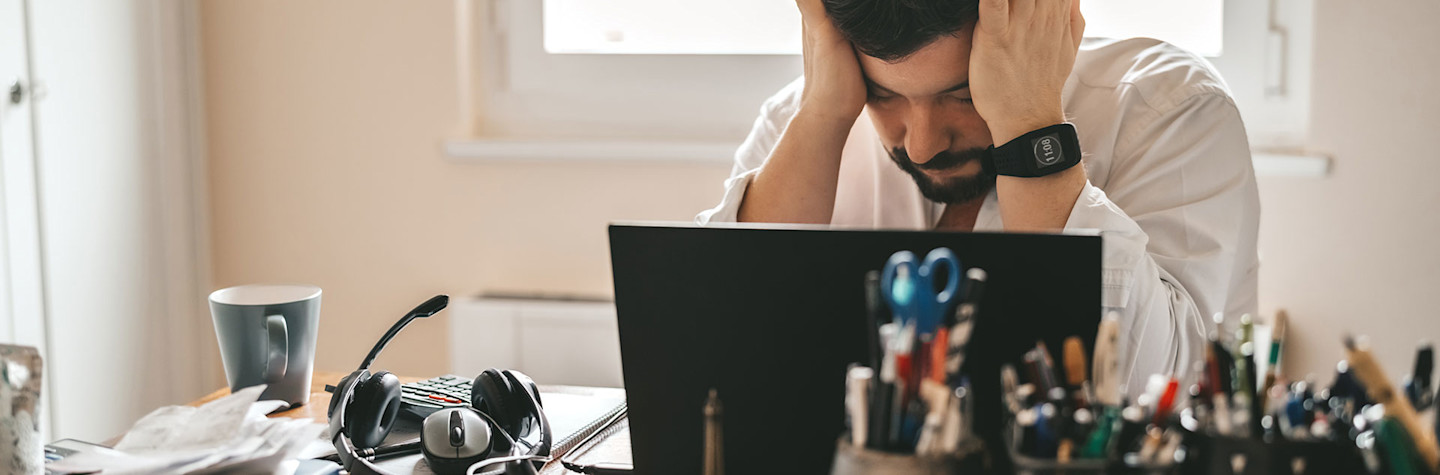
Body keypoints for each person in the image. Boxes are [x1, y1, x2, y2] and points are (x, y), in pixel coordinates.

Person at [697, 0, 1259, 394]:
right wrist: (823, 114)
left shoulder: (1171, 109)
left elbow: (1154, 389)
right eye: (884, 95)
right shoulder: (813, 115)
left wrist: (1029, 126)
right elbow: (710, 356)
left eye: (962, 94)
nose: (921, 145)